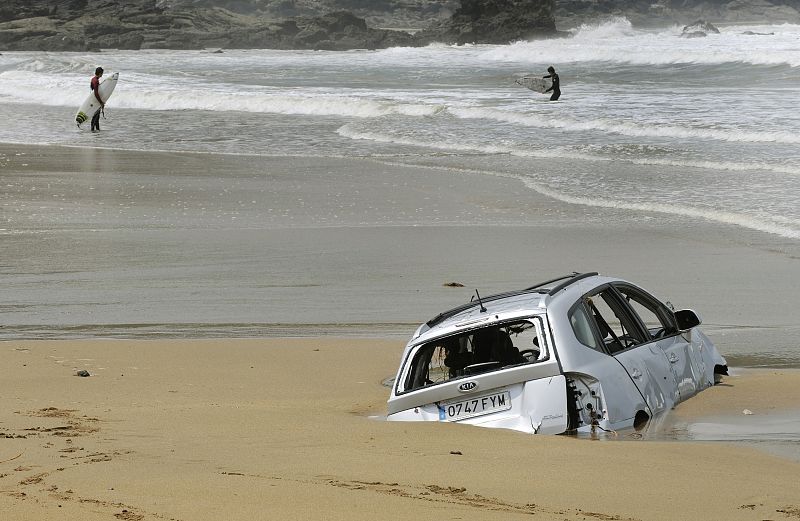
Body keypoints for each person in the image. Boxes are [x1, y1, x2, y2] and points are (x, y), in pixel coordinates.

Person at [90, 67, 105, 132]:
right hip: (96, 101)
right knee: (96, 117)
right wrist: (101, 102)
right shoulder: (96, 81)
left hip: (94, 100)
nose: (102, 75)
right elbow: (96, 93)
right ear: (100, 73)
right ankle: (93, 130)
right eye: (102, 73)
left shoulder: (93, 79)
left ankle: (97, 130)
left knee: (96, 116)